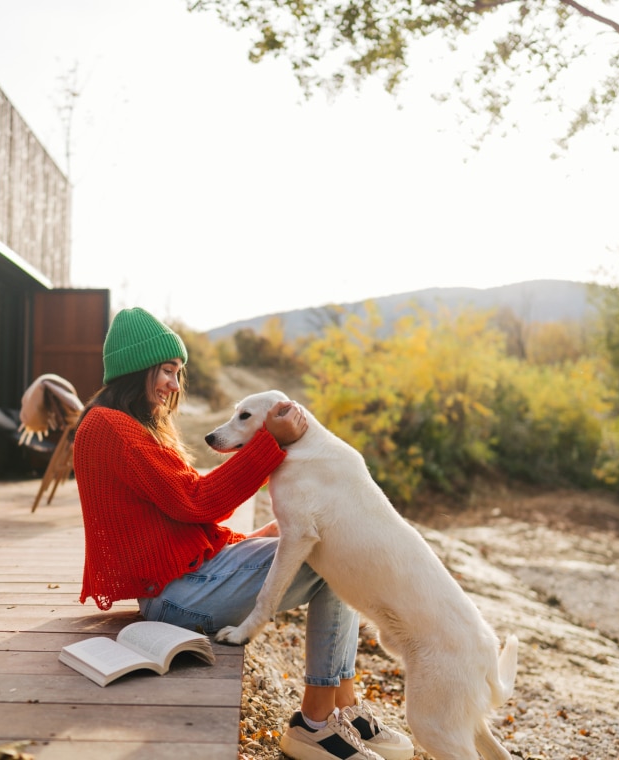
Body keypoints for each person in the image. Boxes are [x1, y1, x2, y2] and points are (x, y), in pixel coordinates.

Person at [72, 307, 413, 760]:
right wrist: (271, 443)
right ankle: (315, 723)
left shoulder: (128, 424)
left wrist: (258, 538)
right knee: (332, 562)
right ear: (137, 368)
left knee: (330, 546)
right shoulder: (110, 428)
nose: (175, 385)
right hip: (177, 595)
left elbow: (177, 519)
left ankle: (342, 708)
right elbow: (196, 501)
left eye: (178, 373)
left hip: (189, 580)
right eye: (168, 371)